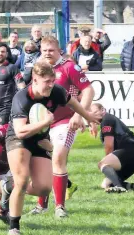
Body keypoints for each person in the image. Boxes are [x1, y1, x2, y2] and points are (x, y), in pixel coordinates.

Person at [5, 61, 97, 235]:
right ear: (35, 79)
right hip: (18, 139)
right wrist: (45, 122)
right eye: (46, 81)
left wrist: (87, 116)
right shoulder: (22, 97)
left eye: (52, 81)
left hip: (40, 138)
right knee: (23, 180)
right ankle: (14, 227)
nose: (51, 85)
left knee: (44, 188)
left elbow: (73, 103)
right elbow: (20, 130)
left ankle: (9, 186)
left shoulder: (56, 91)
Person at [31, 36, 95, 218]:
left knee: (58, 158)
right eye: (44, 51)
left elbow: (89, 90)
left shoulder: (68, 67)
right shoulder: (38, 69)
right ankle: (41, 205)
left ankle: (59, 207)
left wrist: (78, 114)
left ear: (59, 50)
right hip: (43, 123)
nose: (47, 53)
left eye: (51, 50)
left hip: (65, 122)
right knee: (42, 162)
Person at [90, 103, 134, 192]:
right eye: (91, 113)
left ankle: (119, 187)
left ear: (103, 110)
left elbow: (109, 146)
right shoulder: (107, 119)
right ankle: (133, 186)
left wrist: (108, 161)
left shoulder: (106, 119)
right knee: (106, 184)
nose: (94, 115)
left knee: (102, 164)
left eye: (95, 112)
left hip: (129, 151)